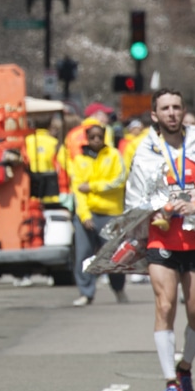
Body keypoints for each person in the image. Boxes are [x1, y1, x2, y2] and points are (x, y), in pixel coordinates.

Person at [126, 89, 195, 391]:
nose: (171, 113)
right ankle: (170, 382)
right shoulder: (145, 150)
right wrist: (155, 210)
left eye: (176, 107)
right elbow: (134, 199)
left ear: (183, 112)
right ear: (155, 115)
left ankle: (185, 368)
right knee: (165, 305)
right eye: (165, 108)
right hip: (162, 238)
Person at [70, 124, 128, 305]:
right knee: (83, 254)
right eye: (92, 137)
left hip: (111, 213)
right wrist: (84, 215)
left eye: (99, 136)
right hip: (88, 214)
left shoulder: (114, 156)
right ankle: (86, 293)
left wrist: (93, 186)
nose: (96, 140)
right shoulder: (79, 160)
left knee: (114, 255)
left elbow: (118, 181)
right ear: (87, 138)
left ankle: (118, 289)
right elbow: (78, 190)